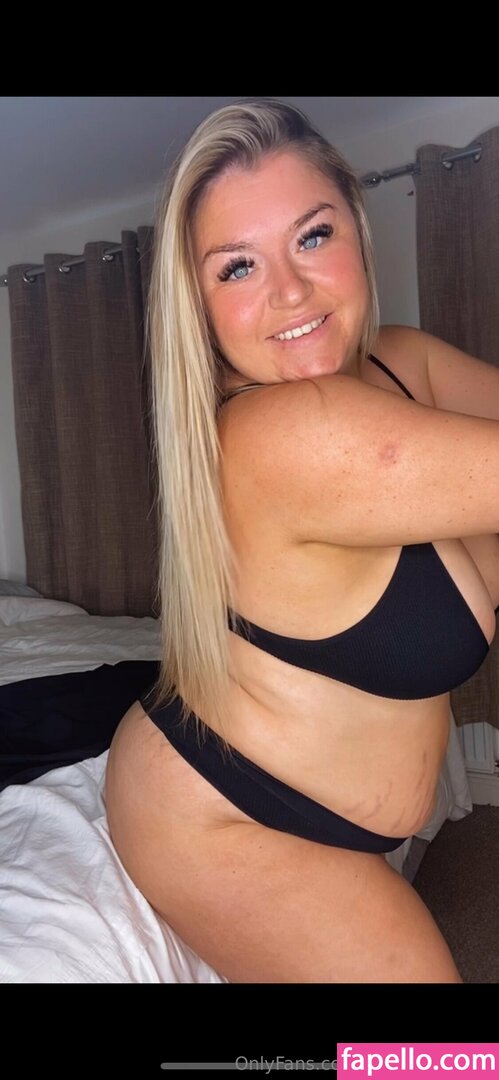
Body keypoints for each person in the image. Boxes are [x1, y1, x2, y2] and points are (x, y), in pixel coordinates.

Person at [105, 97, 499, 983]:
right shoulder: (282, 437)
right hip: (225, 812)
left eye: (312, 236)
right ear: (198, 305)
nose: (287, 290)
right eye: (237, 266)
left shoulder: (402, 362)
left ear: (357, 229)